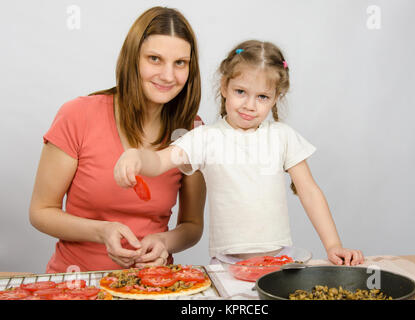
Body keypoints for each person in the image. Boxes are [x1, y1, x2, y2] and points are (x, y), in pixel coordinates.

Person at [114, 40, 364, 266]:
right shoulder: (205, 138)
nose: (249, 105)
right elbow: (159, 161)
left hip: (279, 260)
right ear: (224, 86)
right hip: (226, 264)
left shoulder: (282, 136)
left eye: (262, 96)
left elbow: (309, 191)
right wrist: (136, 156)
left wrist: (333, 245)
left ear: (277, 97)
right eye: (240, 92)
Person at [28, 7, 206, 273]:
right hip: (78, 282)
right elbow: (41, 211)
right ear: (132, 59)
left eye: (180, 63)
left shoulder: (192, 130)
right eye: (155, 59)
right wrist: (102, 232)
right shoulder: (78, 115)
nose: (168, 76)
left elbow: (192, 225)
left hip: (153, 282)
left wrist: (165, 241)